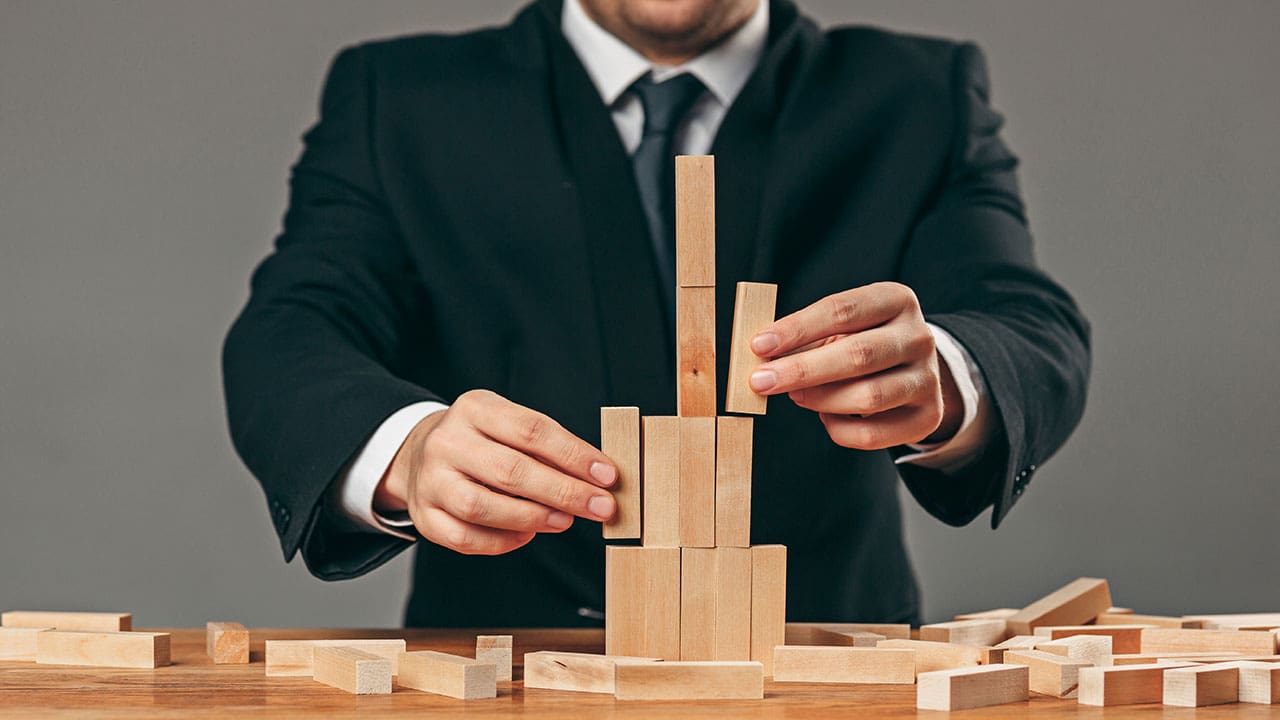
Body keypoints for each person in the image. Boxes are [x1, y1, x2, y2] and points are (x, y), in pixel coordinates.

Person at [222, 0, 1090, 627]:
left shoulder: (918, 93)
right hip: (506, 663)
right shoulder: (399, 96)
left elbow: (1025, 322)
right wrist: (405, 447)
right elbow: (291, 331)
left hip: (823, 660)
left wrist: (943, 374)